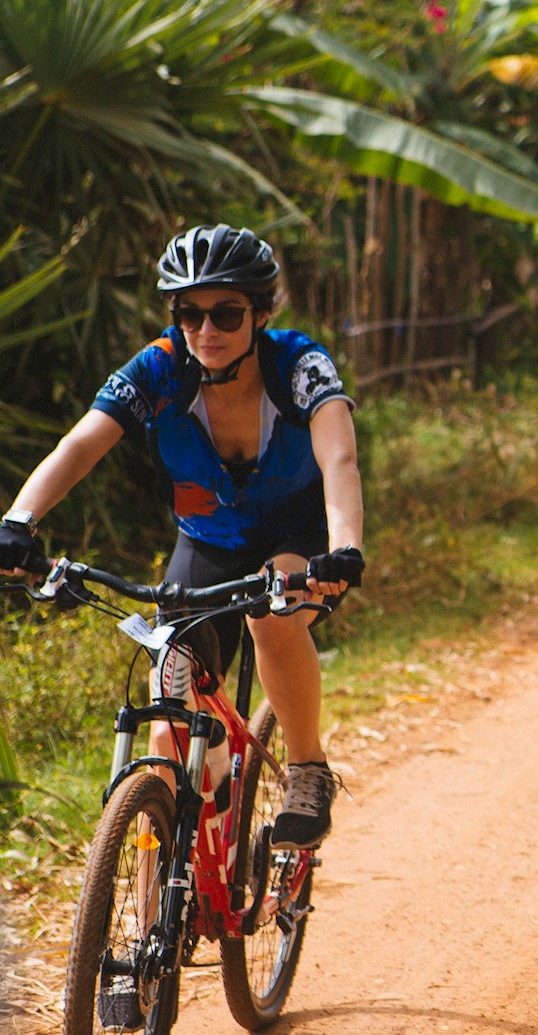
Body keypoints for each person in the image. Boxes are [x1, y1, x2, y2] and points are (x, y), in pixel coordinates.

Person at [0, 225, 364, 851]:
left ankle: (307, 770)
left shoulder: (299, 365)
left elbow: (340, 458)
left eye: (226, 313)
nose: (206, 331)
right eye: (189, 314)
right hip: (208, 540)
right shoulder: (161, 368)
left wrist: (346, 547)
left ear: (262, 312)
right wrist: (17, 522)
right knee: (168, 690)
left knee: (271, 621)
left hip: (297, 538)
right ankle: (163, 885)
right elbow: (83, 442)